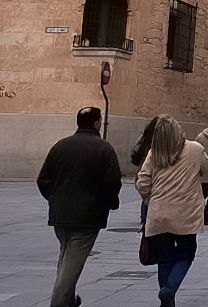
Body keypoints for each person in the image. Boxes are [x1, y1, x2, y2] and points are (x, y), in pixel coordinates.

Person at [37, 106, 122, 307]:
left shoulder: (60, 146)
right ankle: (59, 302)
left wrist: (55, 199)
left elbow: (43, 180)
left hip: (60, 213)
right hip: (88, 215)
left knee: (67, 254)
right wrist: (109, 203)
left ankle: (68, 299)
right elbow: (112, 182)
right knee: (73, 259)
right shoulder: (104, 148)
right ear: (96, 123)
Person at [136, 115, 208, 307]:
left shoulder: (154, 153)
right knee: (187, 252)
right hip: (186, 214)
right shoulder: (195, 149)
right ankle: (169, 290)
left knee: (165, 255)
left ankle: (166, 298)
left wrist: (150, 199)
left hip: (159, 214)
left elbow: (143, 182)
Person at [131, 116, 160, 224]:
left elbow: (135, 150)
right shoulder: (160, 141)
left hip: (142, 169)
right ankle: (147, 216)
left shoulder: (143, 138)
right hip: (155, 170)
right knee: (153, 194)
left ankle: (144, 217)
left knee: (146, 193)